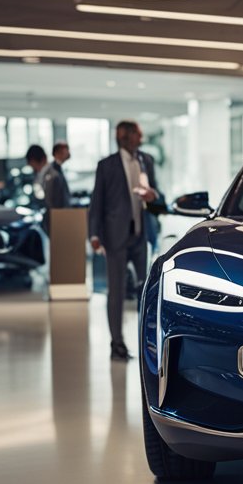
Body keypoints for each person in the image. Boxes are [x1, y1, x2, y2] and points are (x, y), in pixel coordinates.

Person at [89, 120, 159, 361]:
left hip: (141, 237)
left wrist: (153, 196)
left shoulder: (146, 161)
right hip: (115, 238)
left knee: (145, 292)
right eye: (137, 135)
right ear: (126, 137)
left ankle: (146, 344)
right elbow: (96, 203)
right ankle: (116, 343)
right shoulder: (106, 166)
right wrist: (94, 235)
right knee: (116, 292)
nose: (141, 138)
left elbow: (156, 197)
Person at [40, 141, 71, 233]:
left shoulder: (58, 169)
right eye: (66, 151)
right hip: (56, 217)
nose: (69, 153)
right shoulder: (52, 172)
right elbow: (50, 199)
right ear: (58, 153)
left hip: (61, 215)